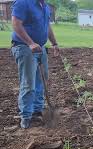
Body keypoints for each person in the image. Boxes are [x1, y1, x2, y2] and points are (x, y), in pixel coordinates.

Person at [11, 0, 59, 129]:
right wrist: (30, 43)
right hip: (24, 47)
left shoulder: (45, 6)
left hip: (41, 48)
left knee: (42, 80)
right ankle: (26, 116)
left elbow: (47, 26)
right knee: (28, 83)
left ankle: (37, 111)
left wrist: (54, 43)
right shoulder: (23, 2)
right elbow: (16, 23)